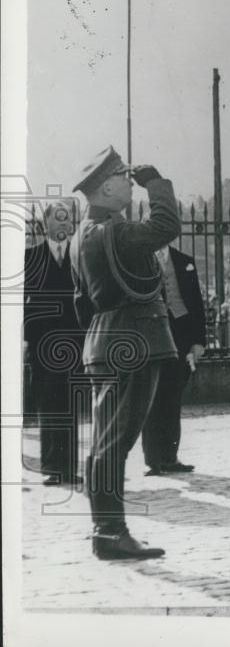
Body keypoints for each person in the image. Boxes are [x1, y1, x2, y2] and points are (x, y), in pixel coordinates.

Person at [70, 146, 180, 559]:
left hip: (104, 339)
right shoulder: (113, 230)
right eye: (124, 177)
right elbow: (166, 225)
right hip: (134, 340)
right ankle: (111, 531)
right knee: (116, 440)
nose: (129, 184)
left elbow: (83, 301)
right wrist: (156, 182)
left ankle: (104, 529)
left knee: (104, 440)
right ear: (107, 185)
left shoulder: (83, 234)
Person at [23, 200, 84, 486]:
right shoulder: (29, 258)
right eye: (58, 218)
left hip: (74, 343)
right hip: (41, 344)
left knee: (70, 404)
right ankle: (51, 466)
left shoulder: (79, 256)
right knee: (48, 405)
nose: (64, 224)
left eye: (68, 219)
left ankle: (69, 467)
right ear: (45, 223)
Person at [141, 242, 207, 475]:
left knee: (173, 395)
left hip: (181, 332)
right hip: (153, 333)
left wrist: (199, 341)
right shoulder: (139, 258)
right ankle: (153, 460)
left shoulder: (184, 260)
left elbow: (196, 302)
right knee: (152, 397)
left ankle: (170, 456)